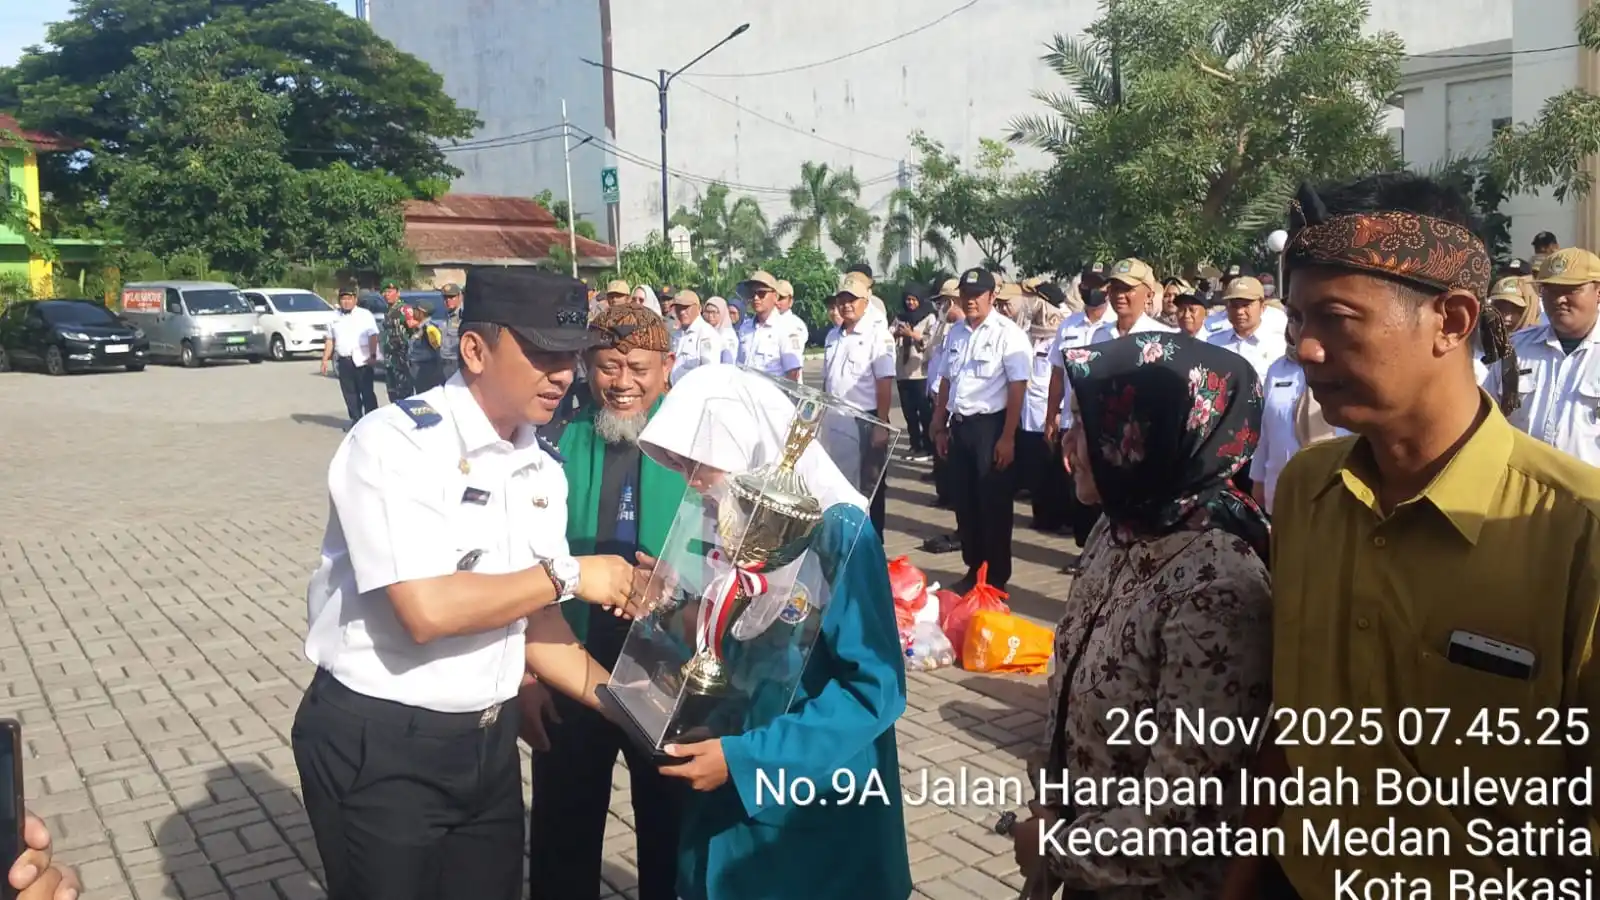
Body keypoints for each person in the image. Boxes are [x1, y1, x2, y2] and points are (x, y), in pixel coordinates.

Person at [1230, 173, 1600, 900]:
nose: (1306, 350)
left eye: (1336, 318)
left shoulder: (1574, 531)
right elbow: (1289, 726)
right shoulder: (1308, 490)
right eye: (1299, 321)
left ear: (1453, 321)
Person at [292, 267, 652, 900]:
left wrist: (641, 715)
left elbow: (538, 624)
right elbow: (426, 610)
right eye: (542, 353)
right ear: (476, 349)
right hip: (384, 746)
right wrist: (571, 573)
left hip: (486, 746)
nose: (563, 373)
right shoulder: (396, 444)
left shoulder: (541, 466)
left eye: (569, 355)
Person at [637, 365, 913, 900]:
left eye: (698, 461)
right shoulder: (729, 519)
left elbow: (874, 690)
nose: (690, 479)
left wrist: (747, 760)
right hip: (724, 783)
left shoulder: (839, 530)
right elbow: (733, 646)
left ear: (747, 441)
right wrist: (669, 610)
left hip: (808, 799)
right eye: (680, 464)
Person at [1014, 333, 1271, 900]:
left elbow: (1186, 809)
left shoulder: (1219, 584)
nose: (1071, 446)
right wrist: (1052, 802)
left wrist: (1054, 850)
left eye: (1089, 426)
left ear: (1152, 437)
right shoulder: (1119, 527)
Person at [525, 304, 686, 900]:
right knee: (563, 829)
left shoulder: (702, 446)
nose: (622, 383)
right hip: (570, 659)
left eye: (638, 367)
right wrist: (526, 675)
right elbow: (518, 564)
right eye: (608, 366)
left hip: (667, 672)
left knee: (670, 829)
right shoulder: (554, 441)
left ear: (668, 366)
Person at [930, 268, 1032, 593]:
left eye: (977, 295)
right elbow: (946, 378)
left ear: (991, 296)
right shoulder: (956, 333)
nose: (970, 300)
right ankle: (974, 570)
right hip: (959, 426)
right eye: (966, 294)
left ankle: (997, 580)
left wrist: (1008, 437)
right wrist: (939, 421)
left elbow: (1018, 387)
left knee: (994, 506)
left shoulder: (1008, 333)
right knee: (965, 503)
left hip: (991, 428)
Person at [1484, 246, 1600, 464]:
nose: (1559, 299)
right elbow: (1488, 416)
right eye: (1550, 290)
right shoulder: (1515, 349)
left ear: (1598, 292)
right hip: (1524, 488)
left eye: (1571, 289)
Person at [822, 273, 896, 536]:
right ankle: (846, 540)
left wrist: (881, 423)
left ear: (866, 301)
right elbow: (827, 380)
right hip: (836, 419)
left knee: (869, 488)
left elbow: (884, 381)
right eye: (842, 299)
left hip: (866, 419)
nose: (846, 305)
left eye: (852, 299)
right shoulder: (833, 336)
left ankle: (872, 542)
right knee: (841, 484)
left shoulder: (878, 335)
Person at [1248, 320, 1343, 513]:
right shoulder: (1277, 369)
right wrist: (1258, 479)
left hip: (1337, 493)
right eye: (1295, 318)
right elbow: (1266, 430)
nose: (1303, 326)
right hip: (1282, 491)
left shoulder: (1347, 367)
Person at [1018, 302, 1067, 531]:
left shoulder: (1055, 345)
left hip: (1048, 413)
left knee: (1052, 470)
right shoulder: (1029, 341)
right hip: (1030, 413)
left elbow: (1059, 381)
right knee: (1035, 469)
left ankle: (1055, 517)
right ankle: (1040, 516)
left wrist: (1056, 413)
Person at [1206, 275, 1287, 381]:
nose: (1239, 312)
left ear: (1262, 306)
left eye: (1246, 305)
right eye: (1234, 305)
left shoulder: (1279, 345)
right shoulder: (1213, 344)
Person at [322, 288, 380, 427]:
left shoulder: (364, 315)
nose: (346, 302)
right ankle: (356, 420)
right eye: (343, 299)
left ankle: (372, 421)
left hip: (362, 359)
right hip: (344, 360)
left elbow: (373, 336)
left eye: (349, 298)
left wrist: (373, 355)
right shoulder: (333, 317)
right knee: (349, 393)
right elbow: (330, 339)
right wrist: (325, 359)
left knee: (366, 392)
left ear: (355, 299)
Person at [891, 287, 936, 460]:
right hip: (903, 372)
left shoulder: (929, 317)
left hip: (921, 373)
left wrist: (913, 335)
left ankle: (928, 446)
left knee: (924, 412)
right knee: (909, 413)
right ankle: (914, 444)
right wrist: (896, 333)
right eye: (908, 299)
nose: (910, 302)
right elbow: (888, 336)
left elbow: (931, 342)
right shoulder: (900, 318)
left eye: (914, 299)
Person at [735, 271, 803, 381]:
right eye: (752, 294)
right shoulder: (745, 328)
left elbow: (793, 373)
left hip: (772, 396)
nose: (756, 298)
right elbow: (739, 366)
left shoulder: (786, 328)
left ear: (775, 297)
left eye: (761, 294)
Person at [666, 289, 719, 384]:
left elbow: (709, 373)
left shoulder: (706, 334)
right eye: (678, 308)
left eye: (686, 307)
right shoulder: (676, 334)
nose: (682, 312)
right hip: (673, 392)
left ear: (698, 308)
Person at [378, 280, 418, 402]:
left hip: (402, 359)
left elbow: (414, 328)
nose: (387, 294)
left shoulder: (404, 309)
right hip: (390, 359)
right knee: (392, 393)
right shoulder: (389, 311)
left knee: (404, 394)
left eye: (390, 291)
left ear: (398, 293)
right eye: (384, 292)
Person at [773, 279, 812, 383]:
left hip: (787, 387)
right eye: (774, 297)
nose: (776, 302)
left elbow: (794, 368)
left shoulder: (795, 325)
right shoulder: (766, 322)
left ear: (790, 301)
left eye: (781, 298)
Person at [702, 296, 740, 364]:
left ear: (722, 312)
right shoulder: (703, 331)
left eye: (714, 312)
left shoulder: (728, 336)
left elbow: (728, 363)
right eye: (707, 312)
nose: (710, 315)